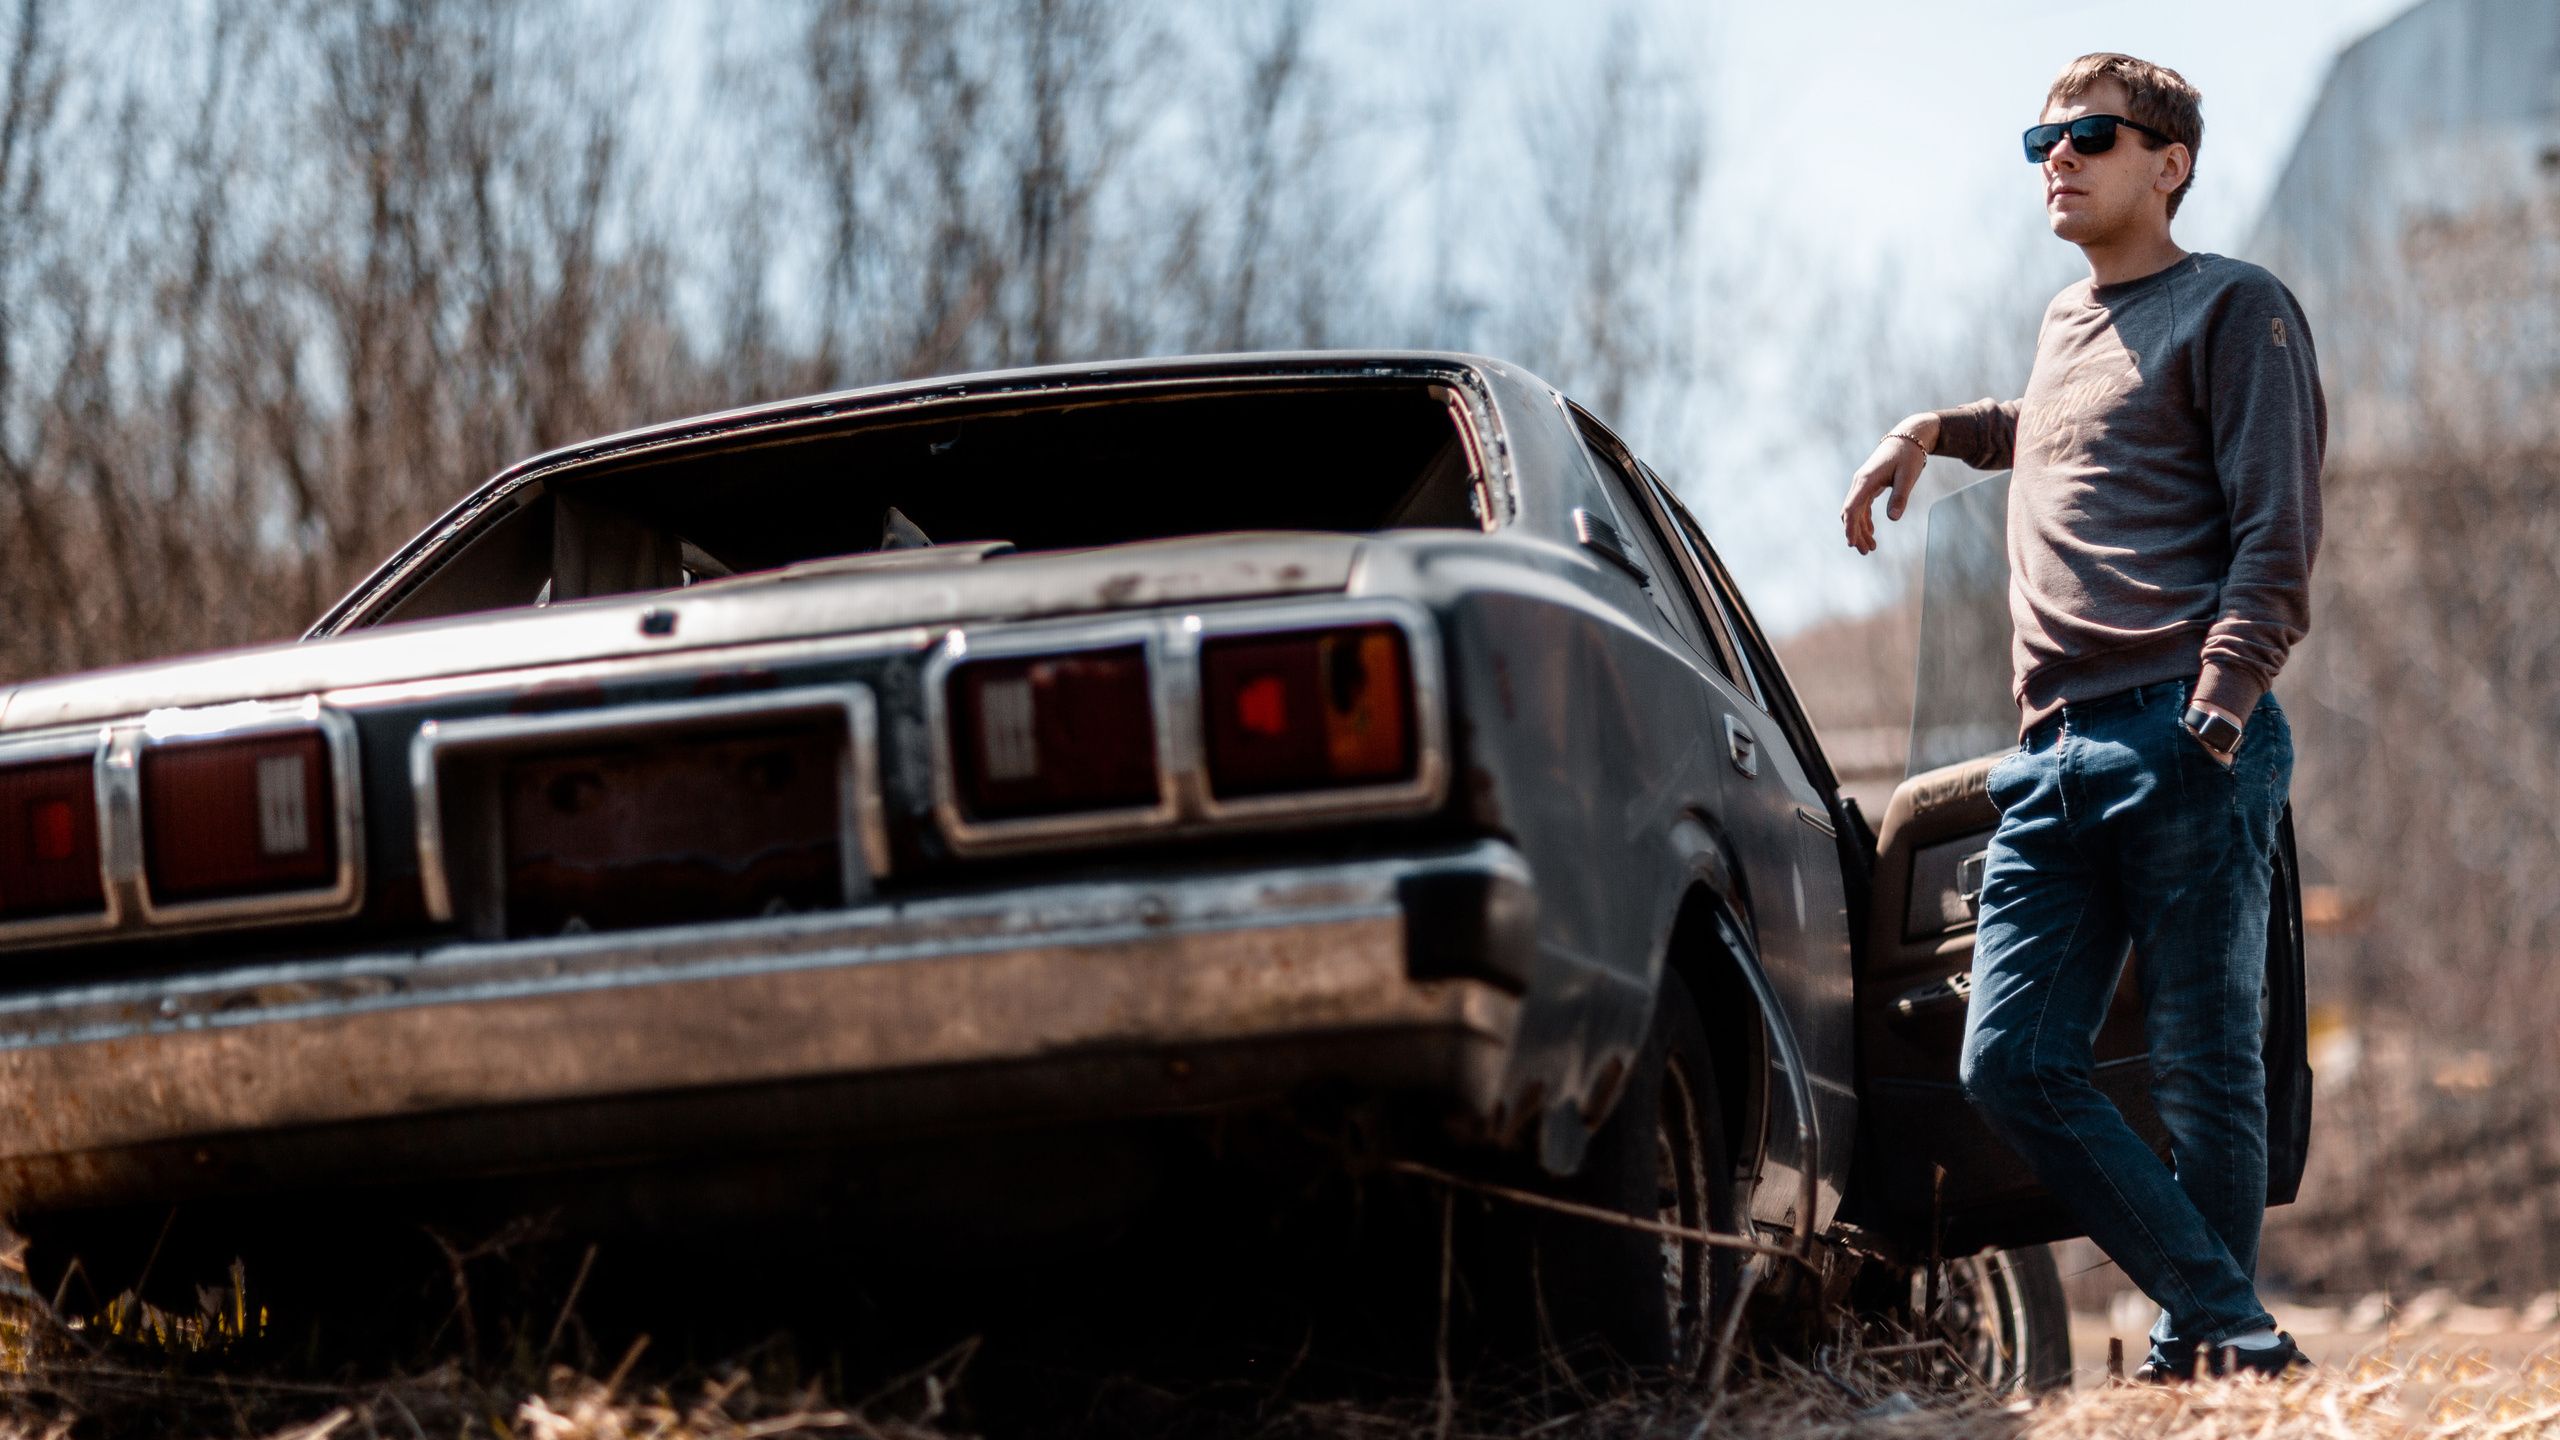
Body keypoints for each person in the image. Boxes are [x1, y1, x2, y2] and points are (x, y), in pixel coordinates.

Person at [1839, 53, 2324, 1381]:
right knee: (2010, 1063)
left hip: (2181, 729)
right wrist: (1933, 429)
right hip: (2046, 754)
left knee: (2206, 1071)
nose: (2058, 157)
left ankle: (2206, 1359)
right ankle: (2226, 1320)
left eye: (2091, 137)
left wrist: (2214, 717)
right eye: (2041, 139)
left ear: (2167, 163)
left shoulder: (2239, 309)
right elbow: (2054, 425)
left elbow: (2278, 541)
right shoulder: (2067, 326)